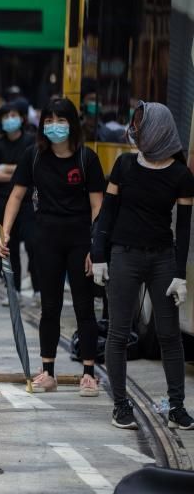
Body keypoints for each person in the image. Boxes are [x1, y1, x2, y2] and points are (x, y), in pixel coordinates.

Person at [91, 102, 193, 430]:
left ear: (159, 129)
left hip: (162, 257)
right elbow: (106, 215)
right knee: (119, 332)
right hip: (125, 255)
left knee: (169, 335)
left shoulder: (181, 175)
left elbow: (185, 227)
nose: (134, 130)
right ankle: (120, 405)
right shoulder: (123, 166)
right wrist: (100, 255)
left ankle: (177, 407)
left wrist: (179, 273)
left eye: (140, 124)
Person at [0, 98, 104, 397]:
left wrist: (95, 246)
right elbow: (17, 196)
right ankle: (48, 372)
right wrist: (4, 233)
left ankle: (89, 373)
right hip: (46, 240)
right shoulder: (33, 156)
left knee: (84, 307)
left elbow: (98, 205)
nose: (54, 126)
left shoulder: (87, 159)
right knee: (50, 307)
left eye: (60, 120)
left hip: (80, 241)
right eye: (49, 120)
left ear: (72, 124)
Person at [0, 102, 37, 298]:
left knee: (33, 245)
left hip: (27, 203)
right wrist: (18, 171)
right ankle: (12, 289)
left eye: (13, 115)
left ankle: (38, 288)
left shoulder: (31, 141)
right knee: (9, 246)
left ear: (22, 118)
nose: (10, 120)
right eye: (5, 117)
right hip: (2, 201)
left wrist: (4, 168)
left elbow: (31, 171)